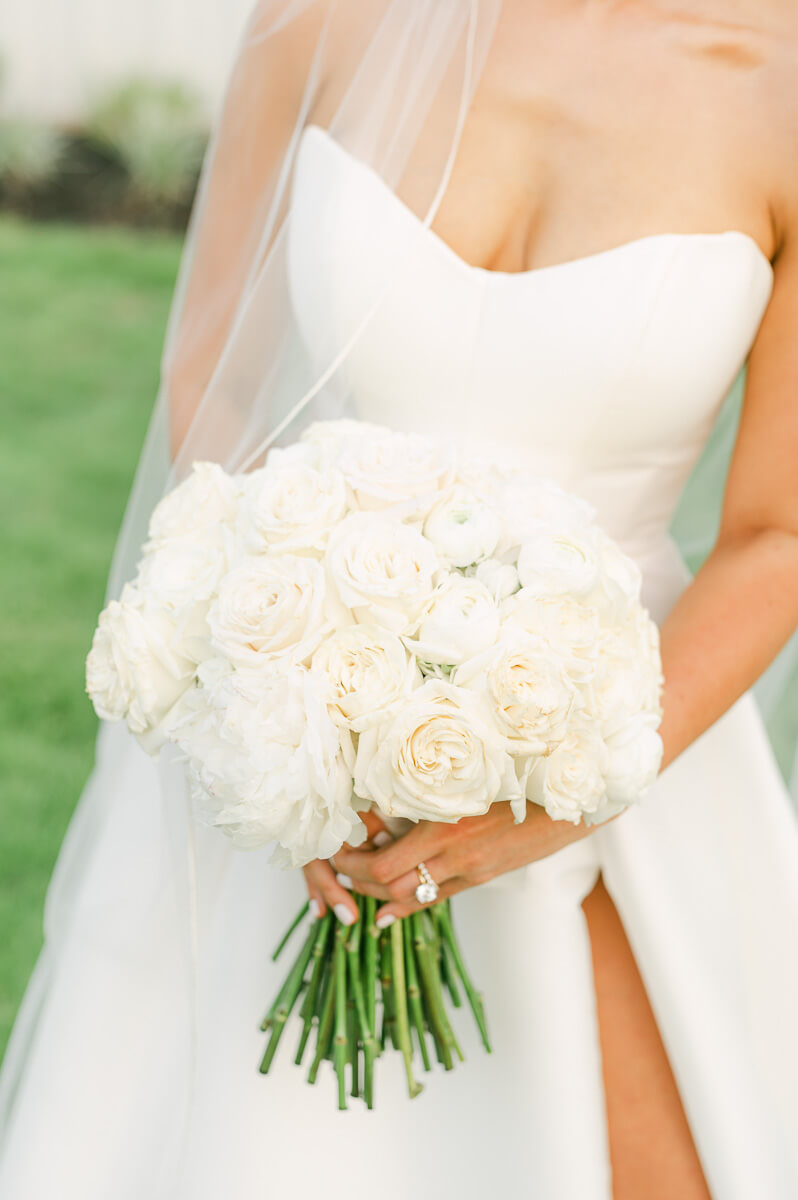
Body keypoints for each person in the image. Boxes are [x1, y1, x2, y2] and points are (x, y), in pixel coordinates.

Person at [1, 3, 797, 1197]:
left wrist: (571, 797)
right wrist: (295, 719)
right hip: (284, 761)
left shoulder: (777, 86)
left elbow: (776, 534)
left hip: (611, 758)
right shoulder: (325, 20)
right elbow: (212, 374)